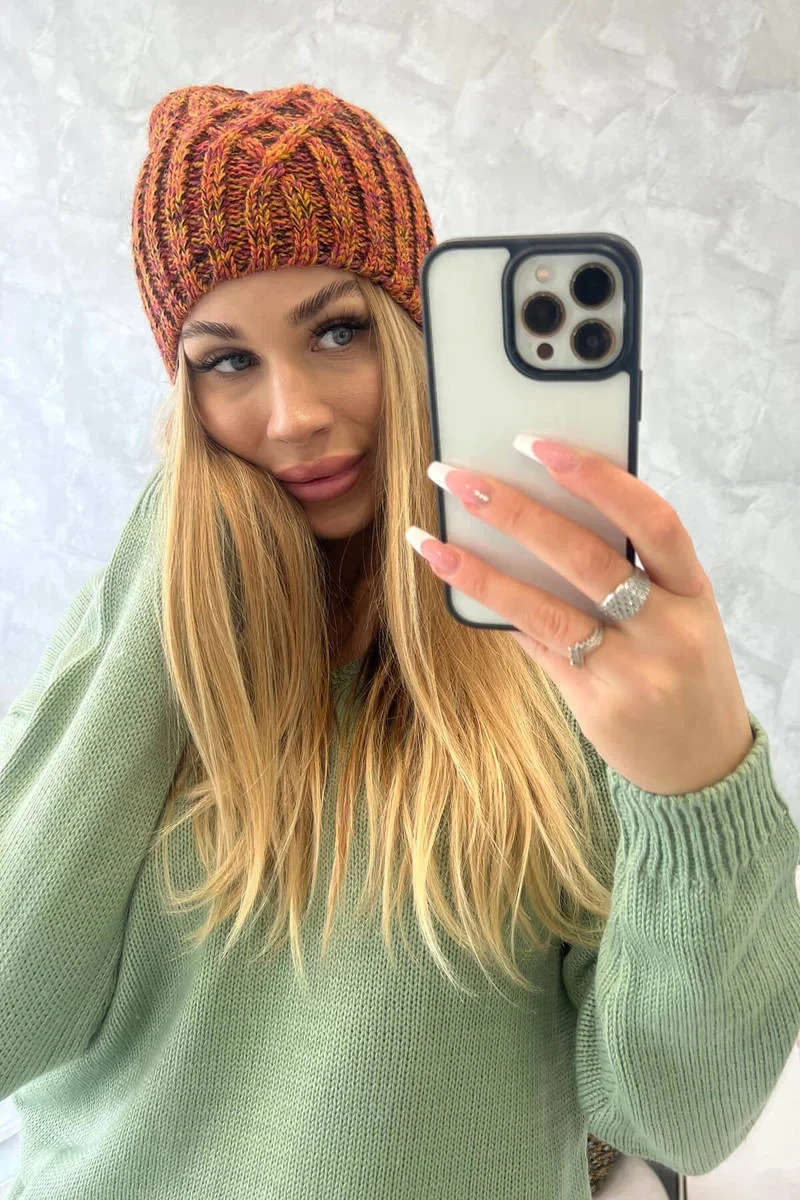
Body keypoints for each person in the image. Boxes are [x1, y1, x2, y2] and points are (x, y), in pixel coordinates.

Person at [1, 82, 799, 1200]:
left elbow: (674, 1115)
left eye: (338, 332)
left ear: (421, 334)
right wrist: (172, 551)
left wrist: (697, 792)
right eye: (226, 361)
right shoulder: (142, 623)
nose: (292, 415)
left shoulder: (555, 650)